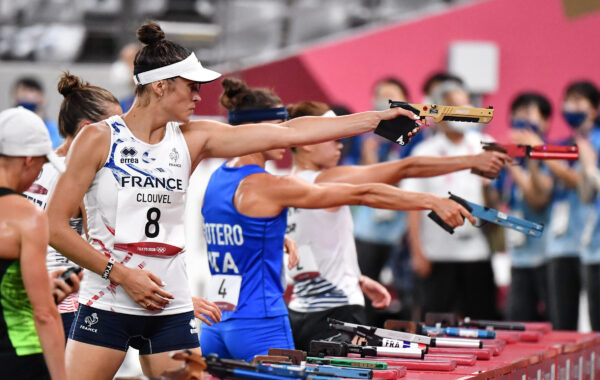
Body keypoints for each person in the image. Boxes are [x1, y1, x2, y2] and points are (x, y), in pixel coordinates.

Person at [45, 22, 421, 379]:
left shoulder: (194, 138)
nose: (199, 95)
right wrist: (122, 274)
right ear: (160, 87)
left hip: (169, 305)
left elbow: (288, 131)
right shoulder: (98, 138)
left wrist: (374, 119)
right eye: (191, 86)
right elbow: (55, 227)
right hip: (109, 300)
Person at [200, 80, 478, 360]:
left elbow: (239, 232)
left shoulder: (217, 179)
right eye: (280, 127)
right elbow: (366, 192)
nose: (287, 135)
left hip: (217, 323)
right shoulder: (273, 185)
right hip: (264, 322)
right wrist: (432, 199)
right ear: (259, 130)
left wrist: (283, 242)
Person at [285, 101, 508, 351]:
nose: (339, 142)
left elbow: (307, 250)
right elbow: (406, 168)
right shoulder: (323, 180)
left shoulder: (283, 186)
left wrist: (355, 277)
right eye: (330, 135)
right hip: (337, 317)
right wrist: (472, 161)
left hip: (297, 314)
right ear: (305, 142)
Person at [23, 72, 122, 339]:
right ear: (86, 130)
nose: (124, 136)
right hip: (68, 305)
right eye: (116, 126)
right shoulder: (81, 177)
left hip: (23, 299)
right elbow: (101, 246)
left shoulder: (32, 166)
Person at [403, 82, 500, 320]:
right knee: (434, 321)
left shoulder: (485, 144)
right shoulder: (425, 152)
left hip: (476, 252)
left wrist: (491, 189)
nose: (463, 111)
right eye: (454, 106)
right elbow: (412, 205)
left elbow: (497, 201)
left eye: (466, 104)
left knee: (482, 320)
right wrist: (417, 251)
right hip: (437, 254)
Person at [520, 81, 600, 330]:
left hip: (590, 244)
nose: (571, 107)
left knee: (594, 323)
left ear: (595, 109)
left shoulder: (595, 142)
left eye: (578, 101)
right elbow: (541, 193)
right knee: (562, 324)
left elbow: (584, 184)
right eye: (567, 101)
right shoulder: (563, 145)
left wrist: (542, 151)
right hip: (560, 244)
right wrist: (533, 160)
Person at [0, 107, 67, 379]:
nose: (41, 173)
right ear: (28, 160)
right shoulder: (28, 216)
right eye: (42, 164)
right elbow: (44, 314)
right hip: (19, 355)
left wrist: (44, 284)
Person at [494, 93, 554, 321]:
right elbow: (495, 201)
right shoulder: (509, 158)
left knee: (550, 323)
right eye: (518, 113)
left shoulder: (550, 157)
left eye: (529, 113)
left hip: (546, 256)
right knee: (517, 320)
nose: (522, 119)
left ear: (545, 122)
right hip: (518, 256)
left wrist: (521, 163)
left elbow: (538, 200)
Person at [12, 76, 62, 148]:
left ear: (43, 98)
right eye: (22, 91)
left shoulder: (57, 132)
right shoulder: (5, 130)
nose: (26, 96)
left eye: (31, 91)